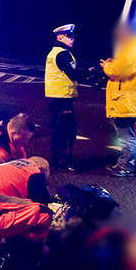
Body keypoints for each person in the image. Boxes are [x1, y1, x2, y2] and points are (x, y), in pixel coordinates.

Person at [101, 23, 136, 177]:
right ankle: (124, 163)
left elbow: (119, 71)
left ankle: (126, 165)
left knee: (125, 135)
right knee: (127, 133)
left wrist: (107, 66)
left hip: (126, 100)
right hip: (128, 99)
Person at [44, 24, 86, 171]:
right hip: (62, 98)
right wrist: (88, 73)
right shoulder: (63, 54)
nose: (72, 39)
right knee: (67, 131)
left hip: (53, 96)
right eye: (69, 36)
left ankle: (55, 160)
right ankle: (64, 162)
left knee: (57, 129)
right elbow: (73, 73)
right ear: (60, 37)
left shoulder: (53, 53)